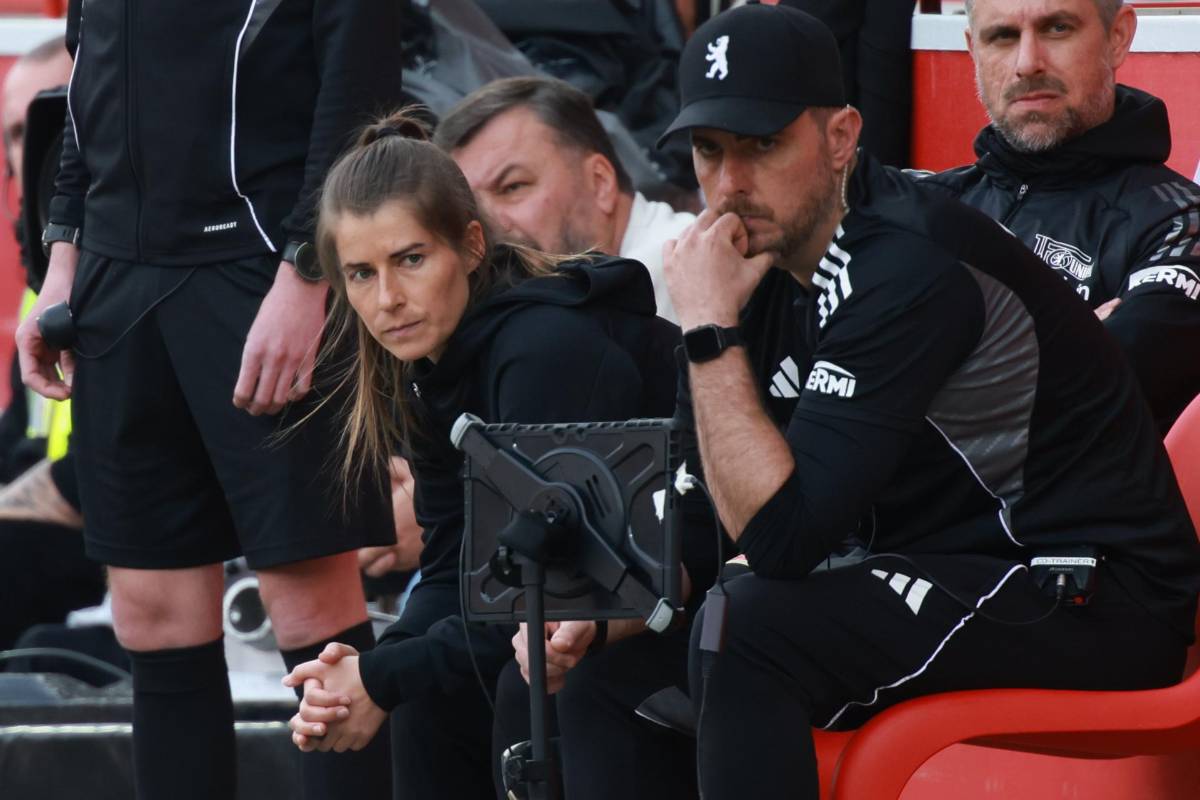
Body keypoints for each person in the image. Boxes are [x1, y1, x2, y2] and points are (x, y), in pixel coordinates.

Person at [654, 5, 1200, 798]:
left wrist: (709, 332)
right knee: (624, 662)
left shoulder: (917, 242)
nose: (733, 183)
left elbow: (1119, 370)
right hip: (942, 552)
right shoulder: (818, 232)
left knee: (747, 624)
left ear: (841, 138)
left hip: (1084, 582)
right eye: (710, 152)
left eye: (764, 145)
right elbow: (714, 492)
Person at [15, 4, 403, 799]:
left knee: (311, 615)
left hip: (260, 265)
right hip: (113, 280)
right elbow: (90, 88)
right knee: (153, 618)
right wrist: (64, 255)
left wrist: (308, 272)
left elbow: (360, 94)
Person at [281, 110, 709, 800]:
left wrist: (384, 676)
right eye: (361, 274)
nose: (388, 299)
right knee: (406, 696)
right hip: (574, 616)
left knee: (508, 683)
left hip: (697, 603)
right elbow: (455, 570)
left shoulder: (540, 350)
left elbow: (544, 593)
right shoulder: (428, 359)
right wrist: (371, 671)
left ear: (471, 247)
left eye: (411, 260)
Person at [920, 0, 1200, 433]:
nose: (1027, 63)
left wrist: (912, 361)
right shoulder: (923, 205)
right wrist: (1065, 339)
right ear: (973, 50)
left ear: (1118, 37)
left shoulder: (1181, 223)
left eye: (1057, 28)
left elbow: (1086, 394)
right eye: (1003, 36)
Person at [434, 76, 696, 323]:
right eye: (473, 209)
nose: (493, 226)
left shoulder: (678, 268)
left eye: (512, 187)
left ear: (600, 181)